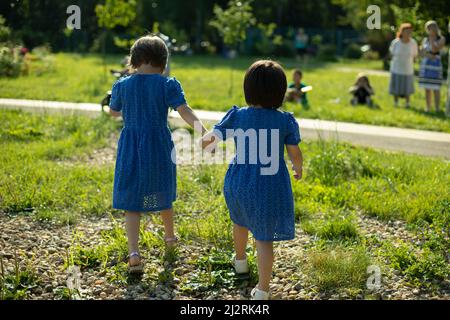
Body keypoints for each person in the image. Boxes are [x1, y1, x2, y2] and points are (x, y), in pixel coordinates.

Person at [201, 60, 303, 300]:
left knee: (240, 221)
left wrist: (208, 144)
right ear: (280, 92)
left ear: (248, 89)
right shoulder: (285, 120)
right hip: (270, 184)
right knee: (264, 237)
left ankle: (240, 262)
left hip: (240, 181)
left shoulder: (238, 116)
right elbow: (294, 152)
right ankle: (263, 290)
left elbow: (209, 139)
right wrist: (297, 168)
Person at [108, 35, 207, 274]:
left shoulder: (122, 85)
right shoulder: (168, 85)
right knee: (162, 190)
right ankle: (170, 239)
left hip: (131, 145)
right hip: (159, 144)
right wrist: (202, 130)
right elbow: (184, 110)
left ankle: (134, 254)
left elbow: (113, 112)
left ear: (134, 60)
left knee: (132, 199)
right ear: (163, 61)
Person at [418, 21, 446, 113]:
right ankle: (428, 107)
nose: (430, 30)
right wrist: (427, 55)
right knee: (427, 88)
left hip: (436, 65)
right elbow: (421, 53)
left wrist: (432, 39)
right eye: (429, 28)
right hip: (426, 65)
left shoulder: (441, 39)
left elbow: (435, 49)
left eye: (432, 27)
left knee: (436, 88)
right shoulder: (425, 40)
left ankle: (437, 108)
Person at [388, 23, 418, 108]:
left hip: (408, 69)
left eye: (410, 31)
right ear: (402, 32)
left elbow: (415, 55)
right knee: (396, 87)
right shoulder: (396, 42)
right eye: (406, 31)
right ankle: (396, 103)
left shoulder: (413, 42)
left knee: (407, 87)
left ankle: (407, 103)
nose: (408, 33)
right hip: (396, 68)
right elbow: (392, 54)